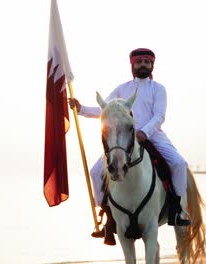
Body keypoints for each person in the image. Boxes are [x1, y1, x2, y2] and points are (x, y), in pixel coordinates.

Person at [69, 48, 191, 244]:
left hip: (154, 136)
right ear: (132, 65)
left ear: (152, 65)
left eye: (146, 61)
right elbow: (105, 110)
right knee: (94, 172)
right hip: (125, 139)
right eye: (139, 62)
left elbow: (159, 115)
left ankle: (179, 210)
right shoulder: (122, 89)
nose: (143, 64)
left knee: (179, 164)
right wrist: (81, 108)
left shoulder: (158, 89)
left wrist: (144, 132)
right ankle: (107, 217)